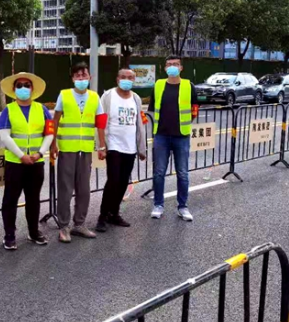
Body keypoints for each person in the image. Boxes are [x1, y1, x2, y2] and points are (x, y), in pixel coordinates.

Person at [50, 62, 108, 243]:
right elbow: (55, 120)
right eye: (78, 76)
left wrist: (102, 146)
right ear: (73, 78)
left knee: (84, 188)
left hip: (85, 149)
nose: (81, 79)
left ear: (90, 77)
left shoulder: (94, 97)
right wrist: (53, 143)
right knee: (66, 188)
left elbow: (100, 123)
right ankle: (64, 226)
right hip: (67, 149)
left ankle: (79, 224)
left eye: (84, 75)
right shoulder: (64, 95)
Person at [0, 72, 55, 250]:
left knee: (33, 199)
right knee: (10, 200)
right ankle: (9, 235)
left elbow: (50, 133)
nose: (23, 88)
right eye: (19, 85)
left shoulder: (42, 109)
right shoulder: (8, 110)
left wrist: (39, 153)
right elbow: (4, 136)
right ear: (14, 90)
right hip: (15, 163)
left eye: (27, 85)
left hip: (36, 162)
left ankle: (33, 231)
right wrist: (21, 155)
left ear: (32, 89)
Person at [95, 68, 147, 232]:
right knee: (113, 181)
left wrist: (141, 147)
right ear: (117, 79)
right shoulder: (108, 96)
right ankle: (102, 216)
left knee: (124, 181)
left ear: (134, 80)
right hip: (113, 145)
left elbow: (139, 123)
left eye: (130, 77)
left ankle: (114, 213)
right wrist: (101, 146)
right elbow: (101, 122)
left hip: (130, 146)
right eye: (123, 77)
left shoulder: (136, 98)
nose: (127, 80)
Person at [149, 55, 199, 222]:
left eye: (175, 64)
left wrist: (185, 124)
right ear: (164, 68)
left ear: (181, 67)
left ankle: (183, 207)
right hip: (161, 135)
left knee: (183, 174)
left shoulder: (188, 85)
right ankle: (158, 205)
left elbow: (194, 109)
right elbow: (152, 108)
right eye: (169, 64)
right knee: (159, 173)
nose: (172, 67)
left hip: (181, 136)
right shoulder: (158, 85)